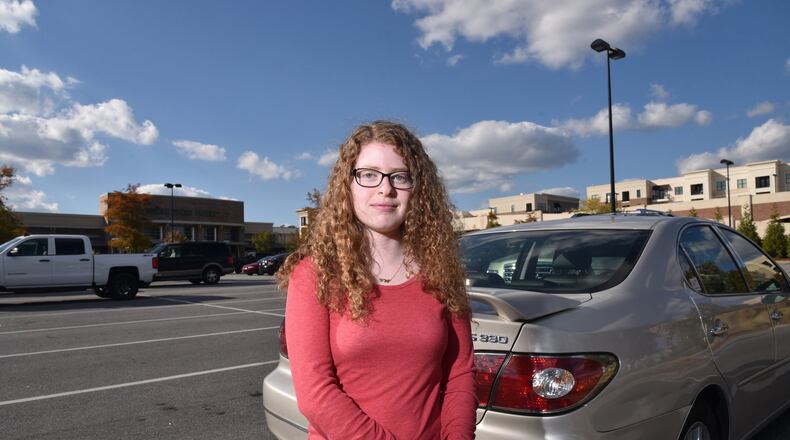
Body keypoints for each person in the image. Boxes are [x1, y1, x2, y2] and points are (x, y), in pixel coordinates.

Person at [277, 120, 477, 439]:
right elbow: (315, 393)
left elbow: (460, 376)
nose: (386, 189)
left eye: (400, 176)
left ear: (418, 188)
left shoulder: (442, 272)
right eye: (369, 175)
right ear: (349, 185)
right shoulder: (316, 274)